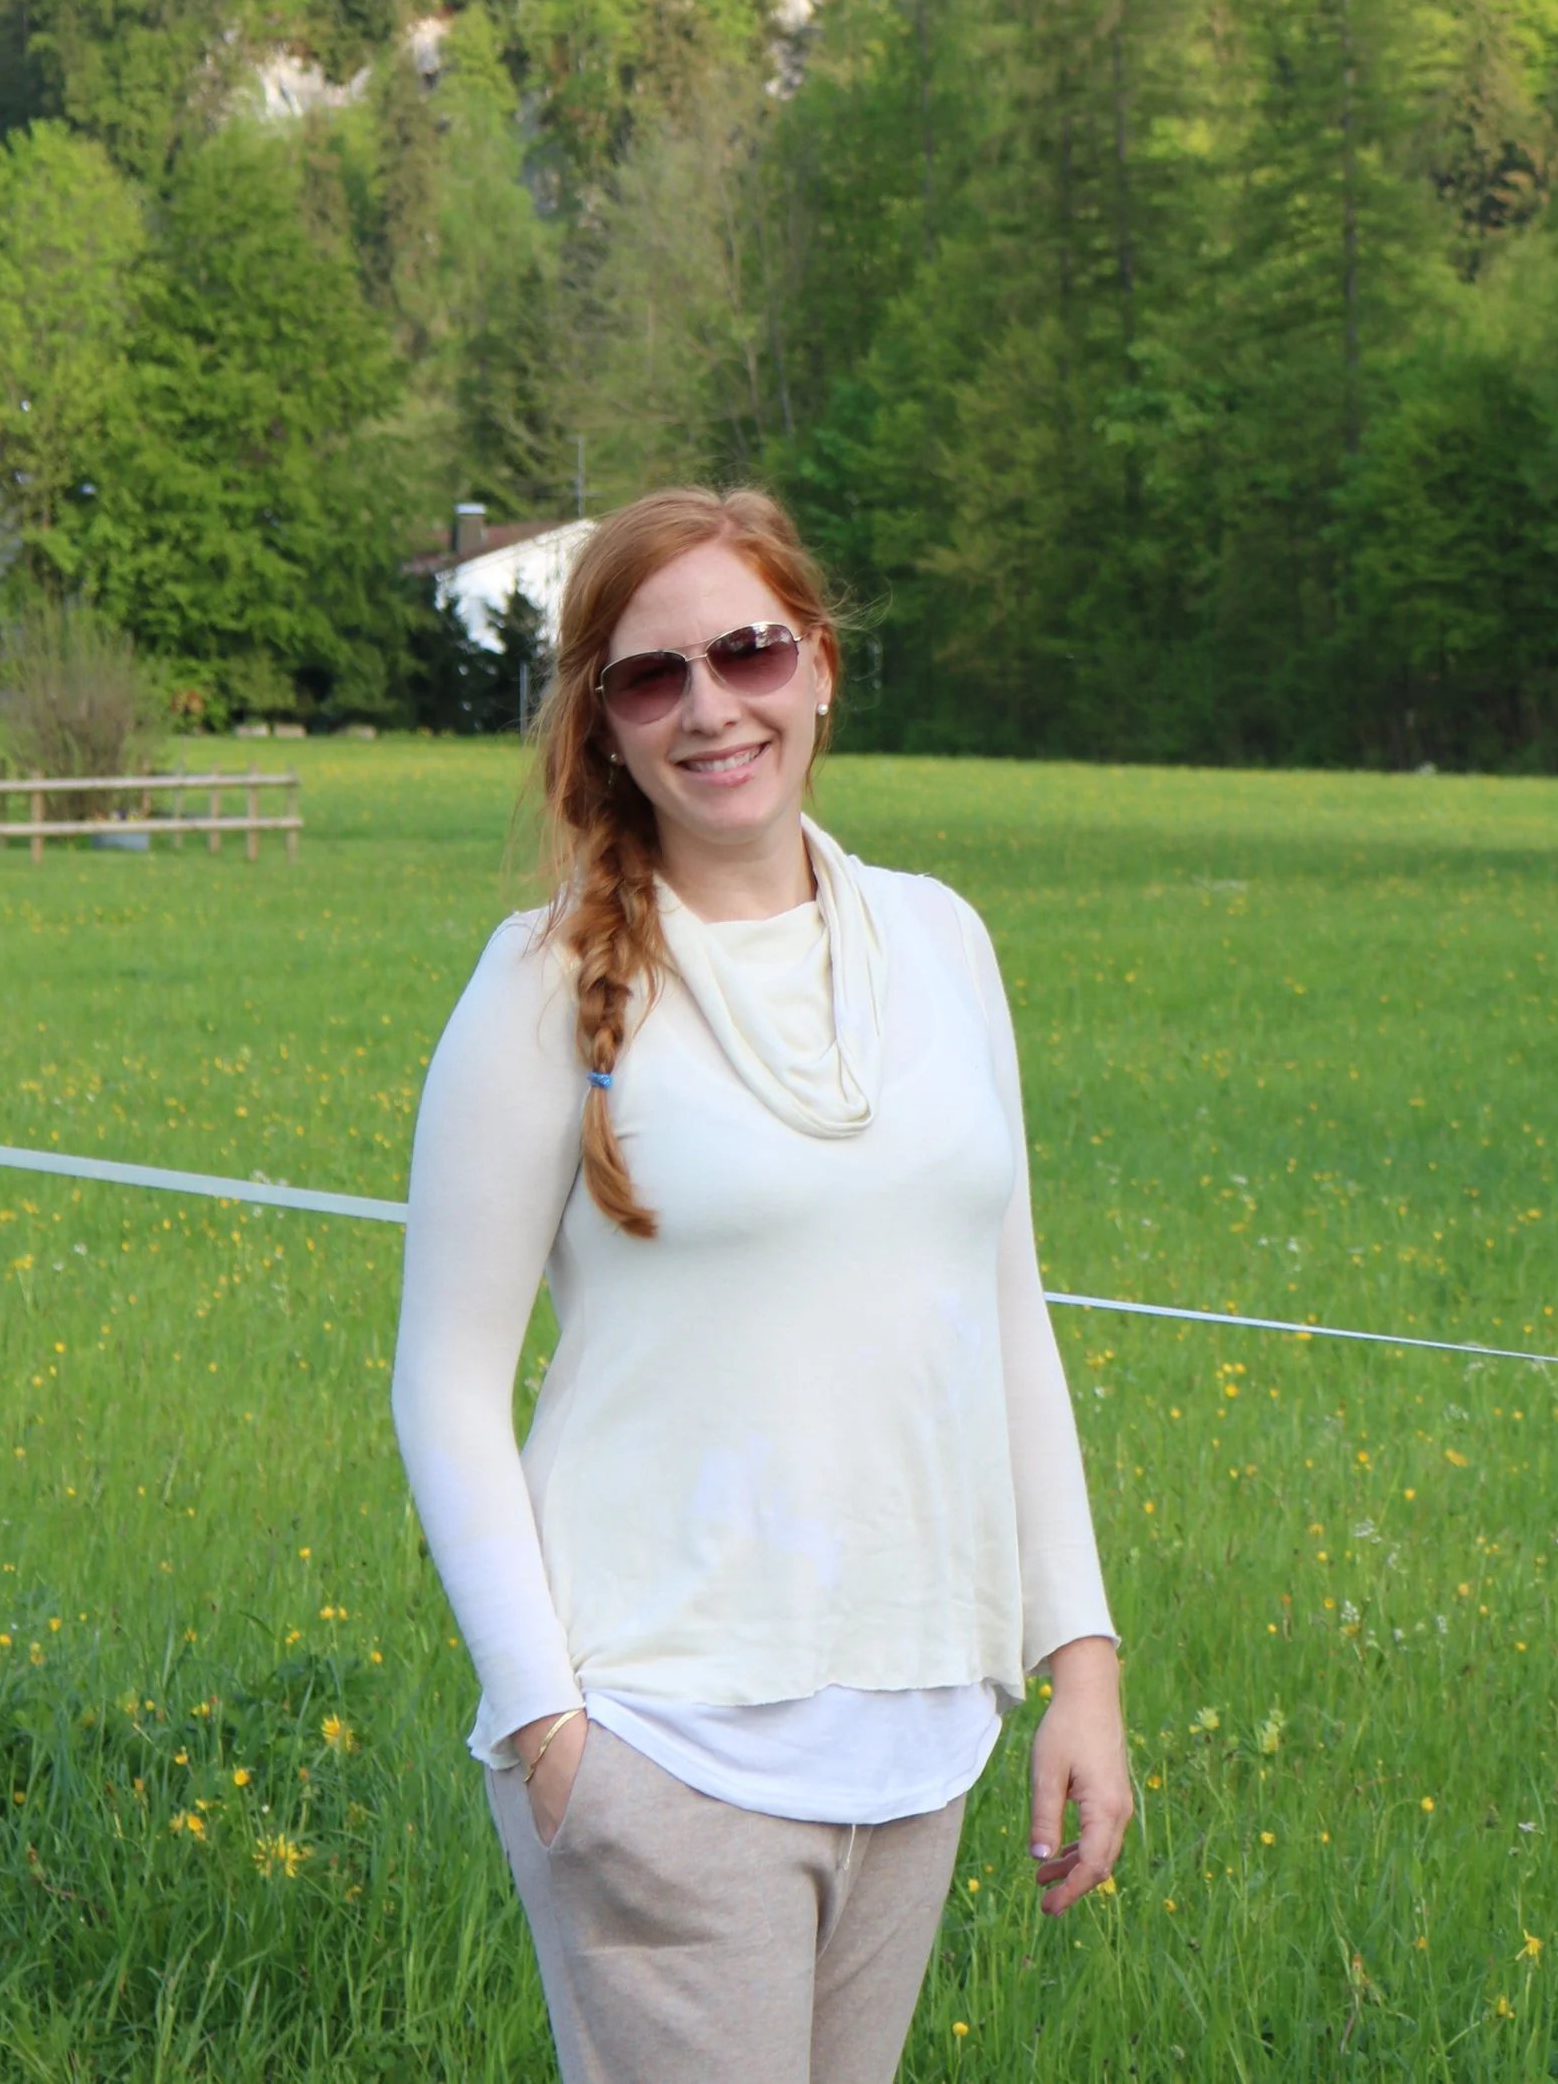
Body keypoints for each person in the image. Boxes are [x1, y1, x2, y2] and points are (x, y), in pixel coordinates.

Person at [392, 484, 1130, 2084]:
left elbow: (1007, 1317)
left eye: (749, 651)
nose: (711, 707)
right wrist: (553, 1732)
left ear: (821, 666)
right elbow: (444, 1379)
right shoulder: (543, 989)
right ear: (602, 722)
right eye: (653, 676)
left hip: (920, 1738)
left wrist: (1081, 1664)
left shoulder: (941, 944)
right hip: (665, 1746)